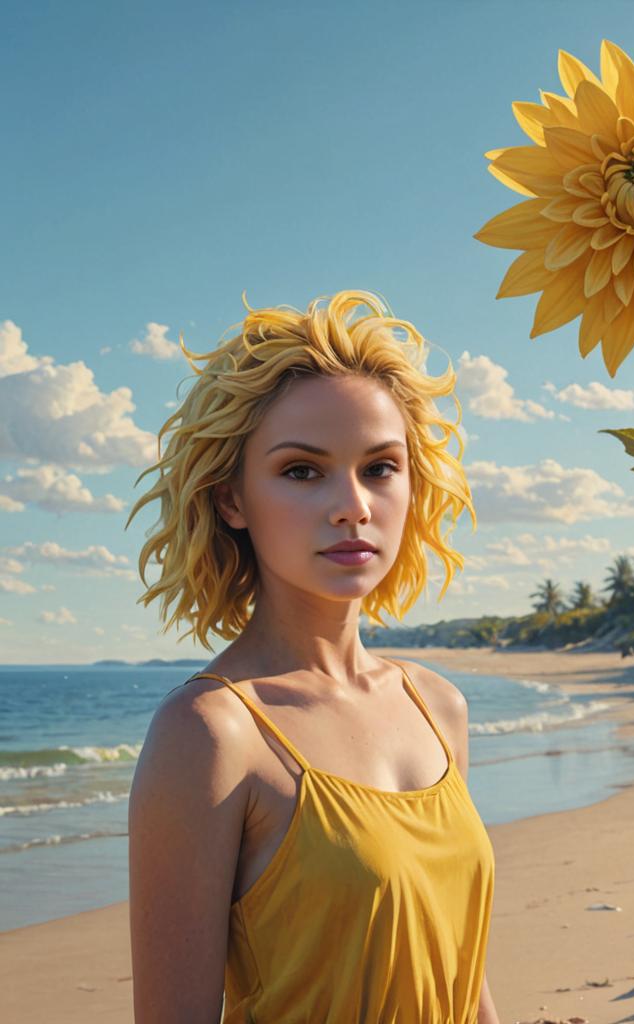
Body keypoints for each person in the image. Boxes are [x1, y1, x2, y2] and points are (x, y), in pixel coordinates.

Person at [126, 290, 499, 1024]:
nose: (352, 504)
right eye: (303, 470)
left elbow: (464, 981)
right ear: (232, 499)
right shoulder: (210, 734)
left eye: (380, 468)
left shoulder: (437, 706)